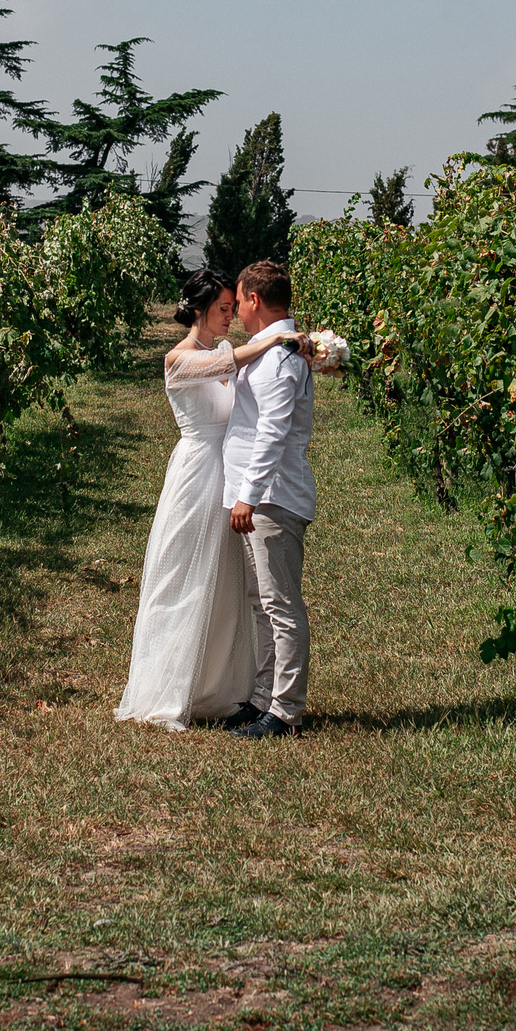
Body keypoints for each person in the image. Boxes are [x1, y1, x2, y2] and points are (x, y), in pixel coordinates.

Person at [114, 268, 311, 732]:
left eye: (233, 306)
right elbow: (231, 364)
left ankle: (231, 689)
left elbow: (254, 385)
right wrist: (274, 339)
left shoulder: (231, 351)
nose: (230, 316)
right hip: (197, 476)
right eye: (222, 309)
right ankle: (168, 684)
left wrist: (299, 348)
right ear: (200, 310)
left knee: (233, 592)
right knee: (182, 583)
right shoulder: (179, 359)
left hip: (233, 484)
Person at [220, 258, 316, 740]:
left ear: (254, 299)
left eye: (237, 302)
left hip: (272, 498)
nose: (235, 311)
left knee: (281, 604)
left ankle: (286, 711)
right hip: (257, 497)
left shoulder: (279, 360)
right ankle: (263, 700)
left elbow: (272, 434)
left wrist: (248, 497)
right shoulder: (274, 348)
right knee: (263, 602)